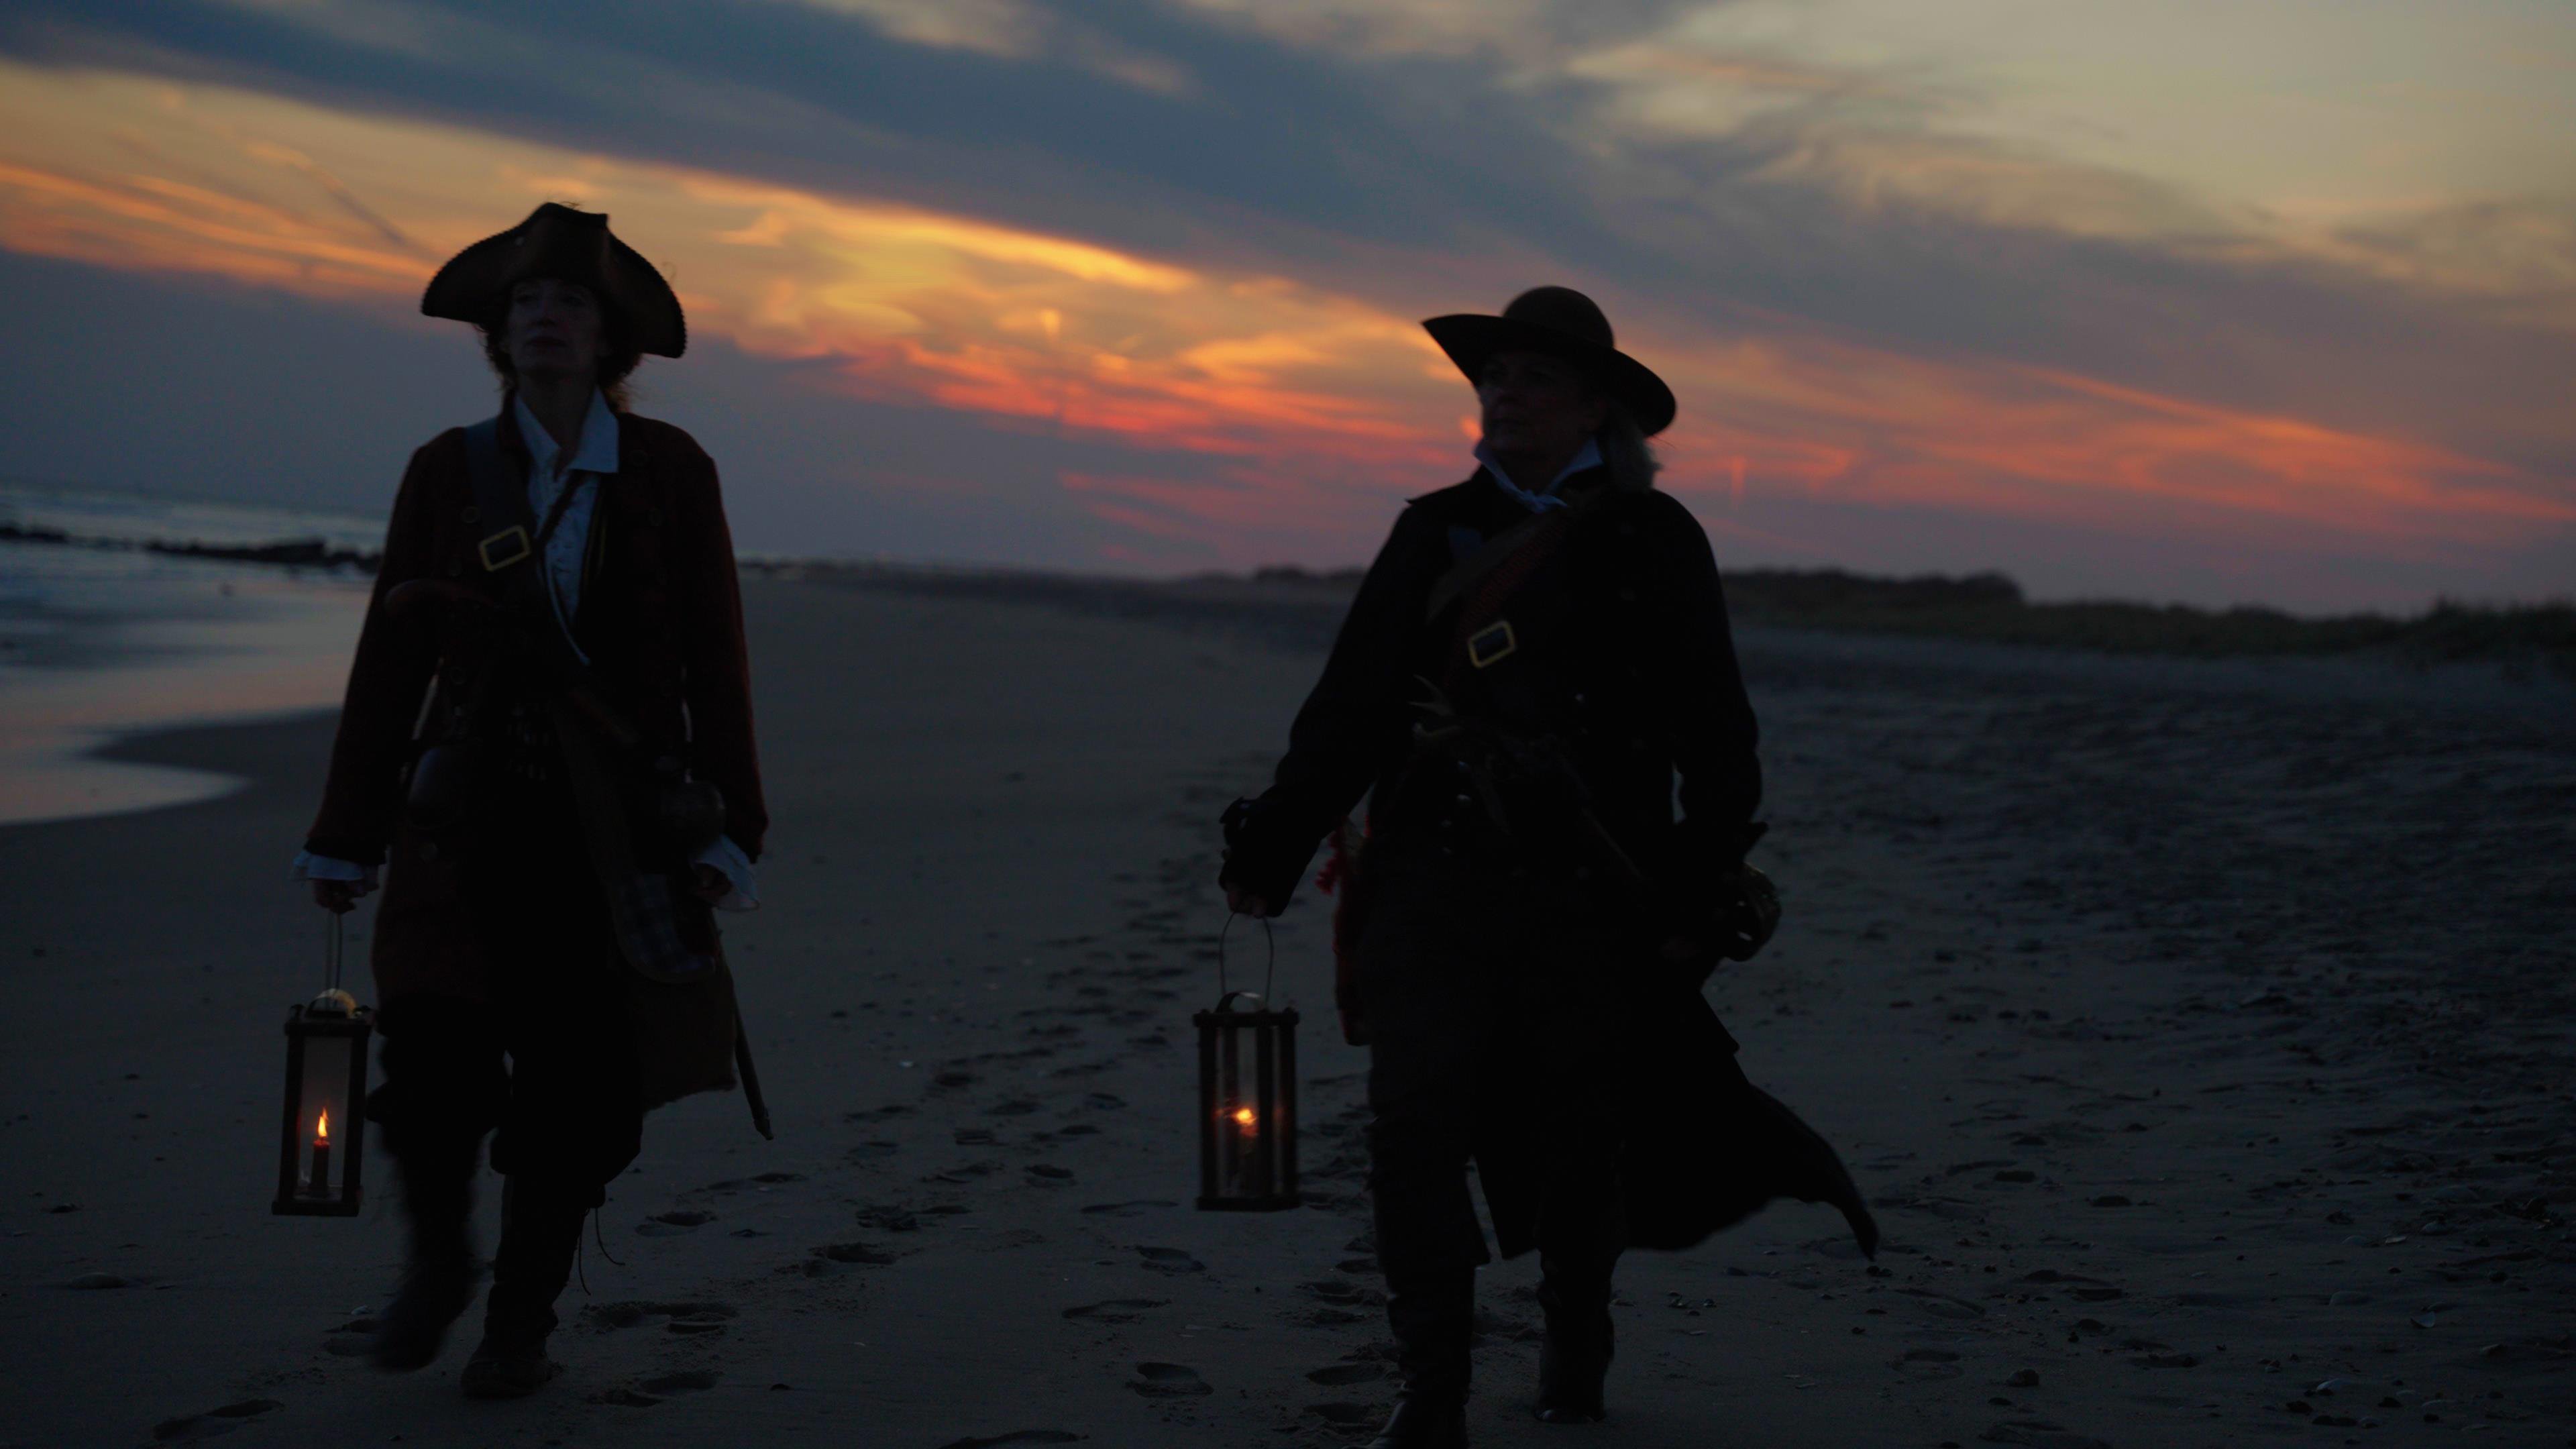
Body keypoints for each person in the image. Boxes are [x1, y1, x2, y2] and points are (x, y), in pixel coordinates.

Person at [1218, 287, 1875, 1448]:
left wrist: (1702, 877)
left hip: (1592, 894)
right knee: (1411, 1132)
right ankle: (1432, 1392)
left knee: (1579, 1136)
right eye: (1494, 378)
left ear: (1597, 409)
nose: (1503, 397)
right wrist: (1275, 840)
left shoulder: (1658, 539)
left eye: (1532, 379)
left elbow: (1716, 733)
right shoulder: (1433, 530)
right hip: (1428, 877)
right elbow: (1353, 709)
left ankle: (1579, 1333)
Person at [291, 203, 768, 1399]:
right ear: (499, 337)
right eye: (524, 306)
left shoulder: (671, 471)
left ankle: (519, 1323)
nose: (544, 319)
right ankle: (441, 1264)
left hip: (610, 838)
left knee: (581, 1092)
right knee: (436, 1064)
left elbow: (719, 658)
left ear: (611, 342)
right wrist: (345, 834)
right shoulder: (445, 471)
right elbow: (387, 664)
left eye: (569, 304)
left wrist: (735, 830)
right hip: (459, 822)